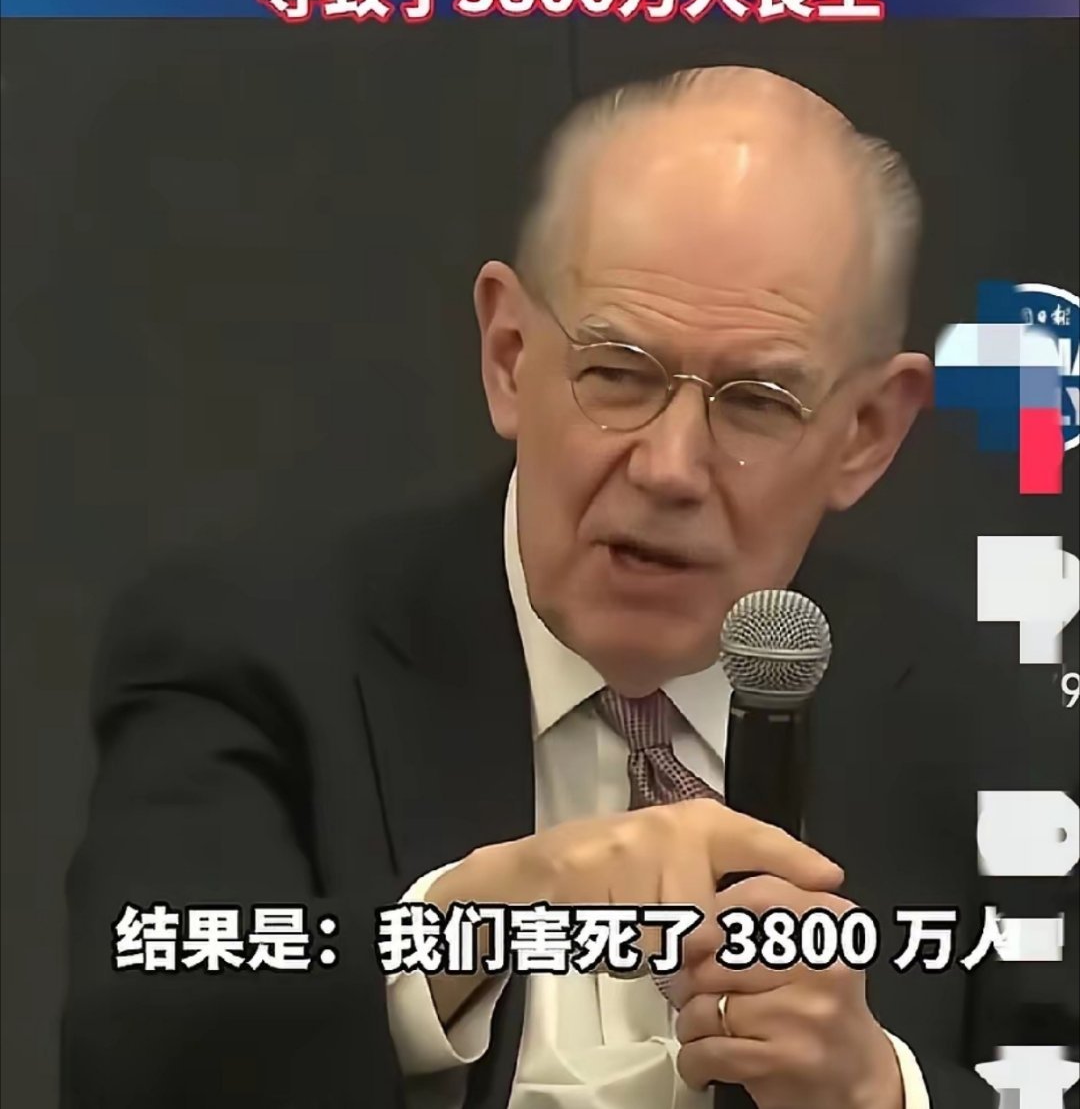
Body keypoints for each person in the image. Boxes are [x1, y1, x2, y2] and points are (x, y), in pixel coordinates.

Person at [63, 67, 1077, 1109]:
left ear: (865, 432)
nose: (670, 468)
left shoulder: (992, 726)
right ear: (510, 356)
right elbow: (138, 1048)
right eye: (619, 374)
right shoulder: (255, 649)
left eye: (758, 401)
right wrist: (493, 913)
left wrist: (881, 1091)